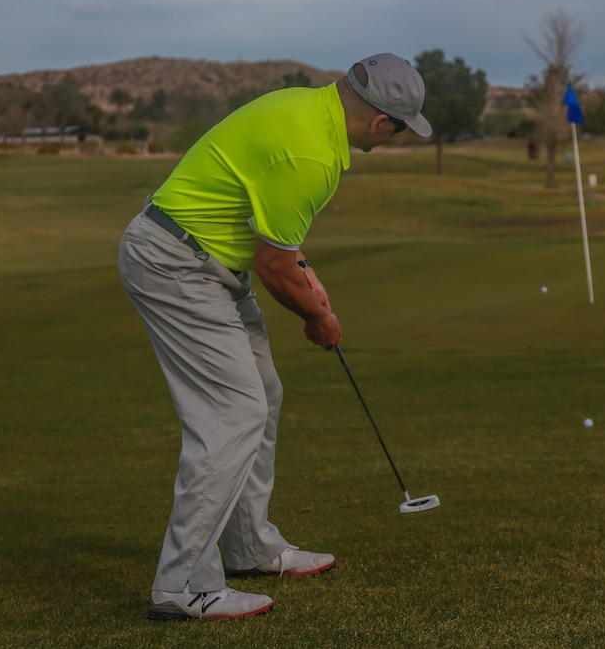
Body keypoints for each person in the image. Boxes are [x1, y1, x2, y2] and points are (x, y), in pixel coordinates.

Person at [118, 53, 432, 621]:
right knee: (233, 414)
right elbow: (274, 268)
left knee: (263, 395)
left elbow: (274, 234)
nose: (396, 138)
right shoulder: (312, 153)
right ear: (382, 123)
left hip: (208, 262)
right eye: (402, 129)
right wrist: (317, 317)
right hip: (177, 265)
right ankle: (182, 586)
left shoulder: (304, 104)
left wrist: (303, 268)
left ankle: (248, 546)